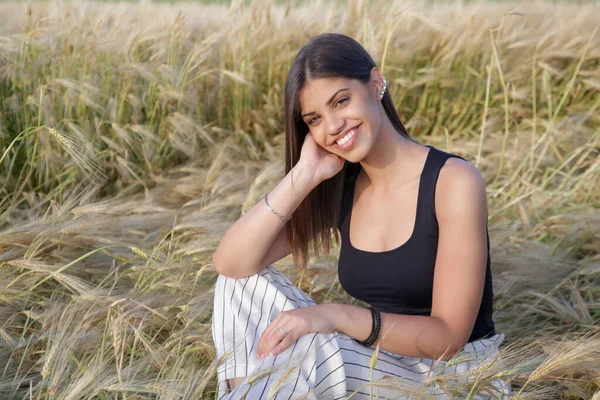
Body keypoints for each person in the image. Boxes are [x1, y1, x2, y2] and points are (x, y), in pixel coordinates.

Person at [211, 33, 510, 399]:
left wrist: (335, 316)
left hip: (457, 374)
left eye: (341, 101)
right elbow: (231, 263)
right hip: (380, 360)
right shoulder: (342, 186)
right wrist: (304, 174)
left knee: (319, 349)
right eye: (315, 119)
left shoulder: (453, 180)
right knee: (239, 284)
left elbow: (448, 337)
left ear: (375, 82)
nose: (333, 126)